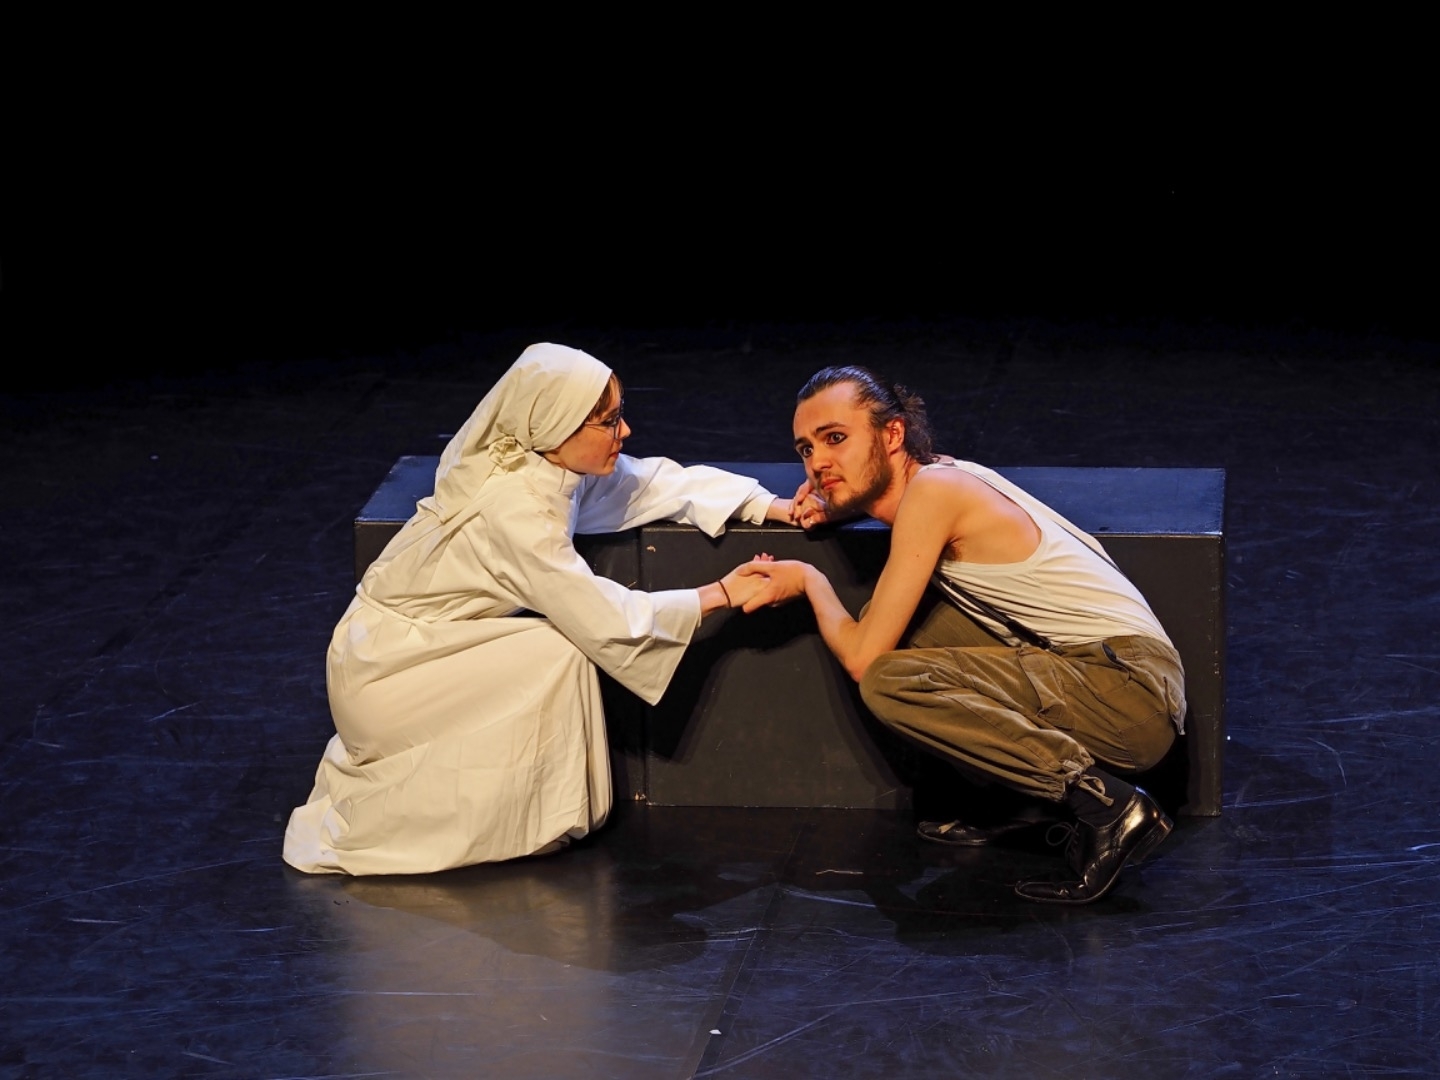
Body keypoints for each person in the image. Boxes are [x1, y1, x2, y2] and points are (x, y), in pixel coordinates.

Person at [284, 343, 793, 875]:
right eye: (608, 421)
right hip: (387, 669)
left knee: (558, 646)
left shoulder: (542, 464)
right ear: (558, 428)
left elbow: (647, 484)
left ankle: (531, 813)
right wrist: (721, 594)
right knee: (561, 650)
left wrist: (767, 505)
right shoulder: (518, 512)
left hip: (421, 645)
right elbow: (603, 618)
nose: (625, 431)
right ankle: (507, 819)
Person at [736, 366, 1187, 904]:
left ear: (892, 433)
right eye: (806, 450)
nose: (817, 463)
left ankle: (1106, 805)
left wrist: (811, 582)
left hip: (1129, 693)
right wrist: (832, 502)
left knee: (887, 676)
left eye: (835, 438)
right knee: (908, 627)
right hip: (1109, 675)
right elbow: (880, 498)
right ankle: (1016, 803)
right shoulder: (938, 475)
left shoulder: (936, 493)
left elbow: (862, 659)